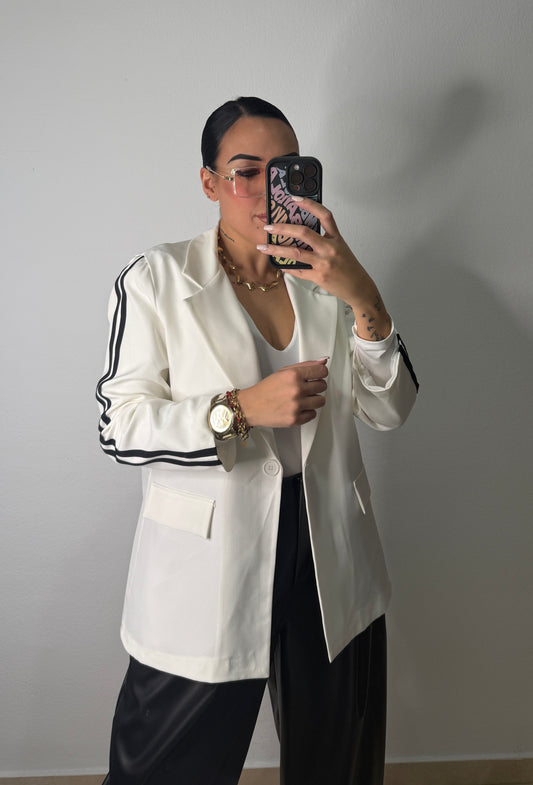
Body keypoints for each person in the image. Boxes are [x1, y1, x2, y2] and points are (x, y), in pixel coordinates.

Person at [96, 96, 419, 785]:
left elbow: (390, 409)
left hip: (329, 545)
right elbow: (120, 424)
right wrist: (238, 409)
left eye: (288, 172)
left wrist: (364, 296)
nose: (271, 190)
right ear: (209, 182)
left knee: (337, 760)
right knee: (167, 766)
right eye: (247, 171)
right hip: (209, 556)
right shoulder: (156, 279)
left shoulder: (328, 279)